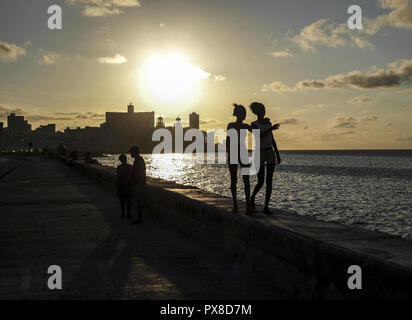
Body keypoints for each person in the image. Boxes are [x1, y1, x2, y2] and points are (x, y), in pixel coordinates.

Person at [249, 102, 281, 215]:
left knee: (269, 181)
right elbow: (260, 135)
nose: (264, 112)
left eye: (264, 110)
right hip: (259, 153)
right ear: (257, 112)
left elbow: (272, 139)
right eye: (262, 110)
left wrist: (277, 153)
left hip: (270, 152)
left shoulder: (268, 123)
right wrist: (271, 128)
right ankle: (252, 198)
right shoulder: (253, 124)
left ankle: (266, 207)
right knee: (261, 181)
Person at [227, 104, 251, 214]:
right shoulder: (231, 125)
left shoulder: (246, 126)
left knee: (246, 179)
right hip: (234, 153)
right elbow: (228, 141)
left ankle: (247, 205)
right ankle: (236, 205)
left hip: (242, 153)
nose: (244, 115)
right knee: (234, 180)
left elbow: (258, 131)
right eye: (243, 113)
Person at [130, 146, 146, 224]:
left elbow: (139, 173)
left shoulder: (138, 161)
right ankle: (139, 218)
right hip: (138, 184)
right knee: (138, 202)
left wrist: (137, 183)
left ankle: (140, 219)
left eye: (131, 152)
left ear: (134, 152)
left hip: (138, 184)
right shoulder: (138, 160)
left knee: (139, 202)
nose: (130, 154)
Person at [116, 154, 132, 219]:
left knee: (123, 201)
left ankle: (124, 213)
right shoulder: (130, 166)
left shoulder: (119, 167)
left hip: (122, 185)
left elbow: (118, 177)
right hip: (127, 185)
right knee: (127, 201)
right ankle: (128, 213)